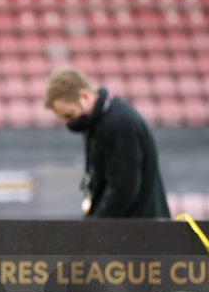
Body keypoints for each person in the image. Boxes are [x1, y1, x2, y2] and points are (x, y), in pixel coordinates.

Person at [44, 66, 169, 218]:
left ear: (84, 96)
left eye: (69, 115)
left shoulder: (120, 123)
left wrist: (95, 227)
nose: (68, 122)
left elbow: (123, 190)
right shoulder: (96, 123)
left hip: (138, 231)